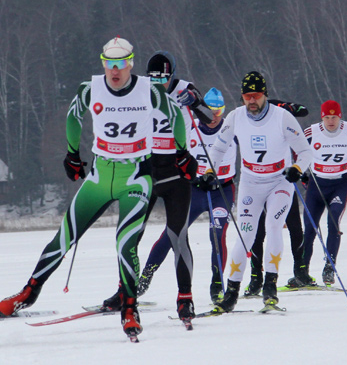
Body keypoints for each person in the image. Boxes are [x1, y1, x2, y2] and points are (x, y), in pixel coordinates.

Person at [0, 37, 188, 339]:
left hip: (135, 177)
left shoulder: (148, 91)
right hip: (99, 177)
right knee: (63, 238)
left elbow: (175, 116)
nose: (115, 70)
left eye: (121, 64)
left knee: (124, 244)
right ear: (103, 64)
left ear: (131, 63)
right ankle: (28, 293)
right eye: (109, 64)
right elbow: (73, 116)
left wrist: (182, 152)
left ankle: (129, 308)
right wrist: (72, 154)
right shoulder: (90, 88)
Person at [99, 51, 212, 322]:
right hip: (146, 173)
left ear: (172, 75)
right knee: (130, 236)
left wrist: (196, 103)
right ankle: (124, 293)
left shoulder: (185, 88)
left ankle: (185, 299)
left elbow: (211, 119)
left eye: (163, 77)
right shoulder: (136, 89)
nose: (157, 82)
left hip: (176, 175)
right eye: (153, 77)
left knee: (177, 236)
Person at [202, 71, 313, 311]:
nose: (252, 101)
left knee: (274, 226)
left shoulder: (282, 117)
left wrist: (296, 168)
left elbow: (306, 152)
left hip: (279, 181)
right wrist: (210, 171)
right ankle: (231, 293)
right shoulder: (235, 117)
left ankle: (270, 287)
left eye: (256, 95)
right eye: (247, 96)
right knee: (246, 234)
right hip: (251, 181)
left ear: (265, 95)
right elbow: (219, 148)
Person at [134, 87, 236, 305]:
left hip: (223, 191)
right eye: (211, 111)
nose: (214, 117)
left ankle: (217, 286)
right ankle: (145, 278)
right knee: (172, 234)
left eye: (219, 111)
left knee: (217, 236)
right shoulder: (189, 126)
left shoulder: (231, 127)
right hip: (195, 189)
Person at [292, 99, 347, 286]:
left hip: (339, 185)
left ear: (340, 117)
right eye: (327, 117)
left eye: (334, 117)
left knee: (333, 222)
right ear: (322, 117)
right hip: (316, 186)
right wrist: (301, 172)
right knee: (310, 229)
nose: (331, 122)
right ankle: (302, 272)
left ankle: (329, 268)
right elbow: (297, 149)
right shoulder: (312, 132)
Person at [245, 99, 309, 296]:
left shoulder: (277, 109)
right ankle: (256, 277)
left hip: (283, 180)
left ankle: (300, 271)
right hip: (259, 182)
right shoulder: (248, 114)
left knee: (295, 226)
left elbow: (303, 110)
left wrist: (289, 108)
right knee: (258, 231)